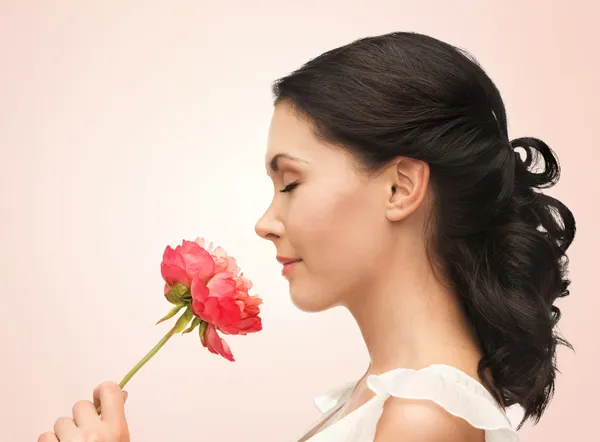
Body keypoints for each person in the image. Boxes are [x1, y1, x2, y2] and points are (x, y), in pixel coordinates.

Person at [37, 31, 576, 442]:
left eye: (291, 182)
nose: (265, 221)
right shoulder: (392, 394)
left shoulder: (423, 415)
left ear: (400, 187)